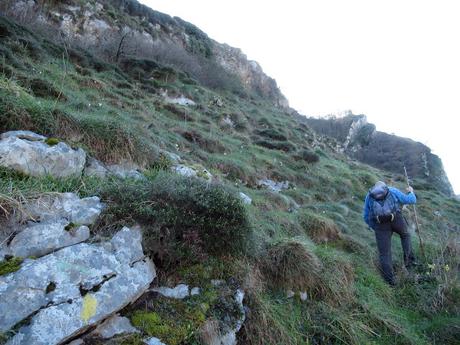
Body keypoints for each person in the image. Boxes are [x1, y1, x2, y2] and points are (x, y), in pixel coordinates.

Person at [363, 181, 417, 285]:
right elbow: (411, 200)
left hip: (380, 225)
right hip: (396, 220)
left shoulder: (369, 196)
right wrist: (411, 192)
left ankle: (390, 280)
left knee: (384, 253)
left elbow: (366, 216)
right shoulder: (392, 190)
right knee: (405, 235)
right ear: (384, 186)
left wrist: (376, 227)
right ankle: (409, 262)